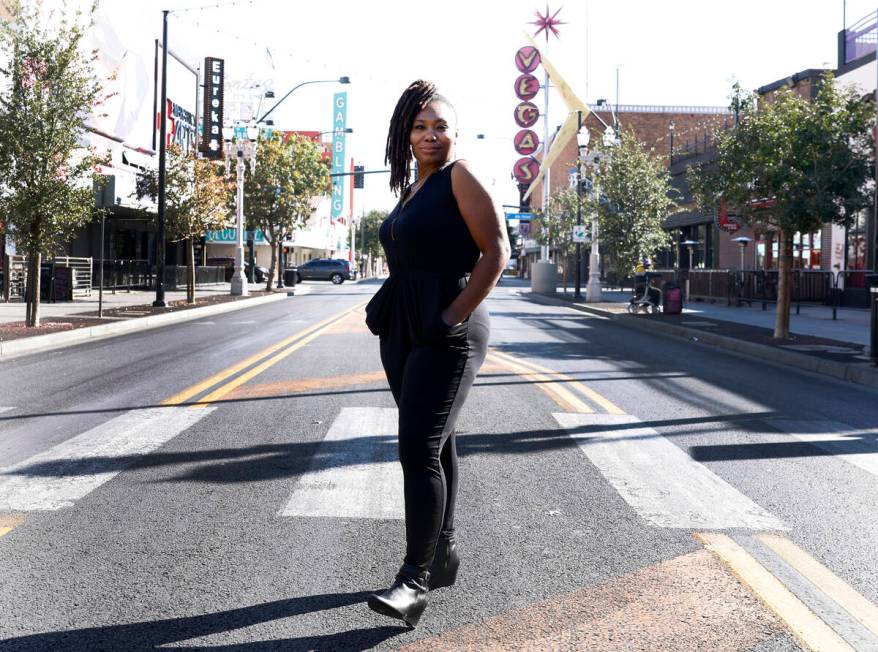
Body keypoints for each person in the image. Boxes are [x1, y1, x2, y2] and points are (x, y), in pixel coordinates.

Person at [364, 80, 511, 627]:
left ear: (455, 133)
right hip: (402, 324)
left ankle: (413, 581)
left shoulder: (460, 176)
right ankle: (443, 551)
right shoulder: (412, 189)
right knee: (437, 437)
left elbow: (497, 251)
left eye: (440, 126)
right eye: (421, 127)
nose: (431, 135)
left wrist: (454, 314)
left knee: (416, 448)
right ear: (406, 135)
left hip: (447, 327)